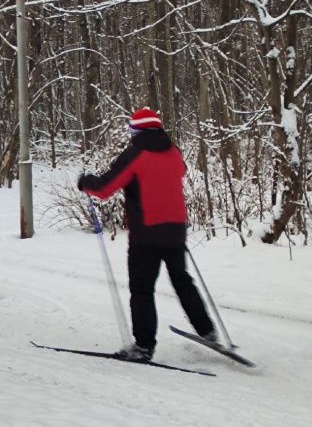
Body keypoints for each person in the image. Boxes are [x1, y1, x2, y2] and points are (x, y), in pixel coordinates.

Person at [77, 107, 216, 361]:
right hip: (175, 229)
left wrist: (86, 182)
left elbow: (106, 187)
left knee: (142, 289)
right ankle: (207, 331)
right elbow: (181, 171)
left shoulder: (135, 154)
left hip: (146, 234)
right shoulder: (173, 152)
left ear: (136, 130)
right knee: (182, 281)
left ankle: (143, 347)